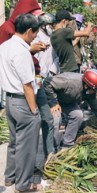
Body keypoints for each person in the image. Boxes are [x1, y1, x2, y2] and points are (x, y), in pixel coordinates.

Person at [0, 13, 42, 193]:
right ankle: (23, 183)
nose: (36, 37)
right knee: (27, 145)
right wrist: (34, 110)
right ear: (29, 31)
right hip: (22, 101)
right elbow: (27, 85)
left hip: (10, 100)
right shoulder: (22, 51)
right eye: (35, 33)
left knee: (15, 141)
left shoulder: (5, 46)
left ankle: (11, 176)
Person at [43, 69, 97, 148]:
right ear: (86, 85)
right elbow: (47, 82)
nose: (94, 92)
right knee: (57, 121)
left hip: (66, 101)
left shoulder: (90, 92)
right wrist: (53, 103)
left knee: (78, 115)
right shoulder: (70, 81)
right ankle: (55, 148)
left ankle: (67, 143)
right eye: (94, 89)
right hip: (51, 99)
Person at [33, 13, 60, 155]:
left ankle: (51, 148)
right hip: (40, 76)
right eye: (48, 25)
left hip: (50, 74)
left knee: (52, 114)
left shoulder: (51, 36)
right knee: (45, 114)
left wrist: (53, 70)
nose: (50, 27)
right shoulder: (37, 37)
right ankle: (48, 149)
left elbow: (56, 57)